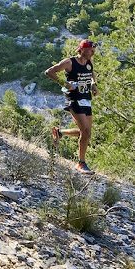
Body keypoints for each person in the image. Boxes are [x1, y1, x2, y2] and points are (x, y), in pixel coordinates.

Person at [44, 39, 99, 174]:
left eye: (93, 49)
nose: (92, 52)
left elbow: (92, 74)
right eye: (90, 50)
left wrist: (93, 84)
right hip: (73, 98)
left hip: (86, 98)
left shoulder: (89, 61)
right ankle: (81, 163)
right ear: (81, 50)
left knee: (86, 133)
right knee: (85, 132)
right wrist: (64, 83)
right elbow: (49, 72)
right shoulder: (69, 62)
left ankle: (60, 132)